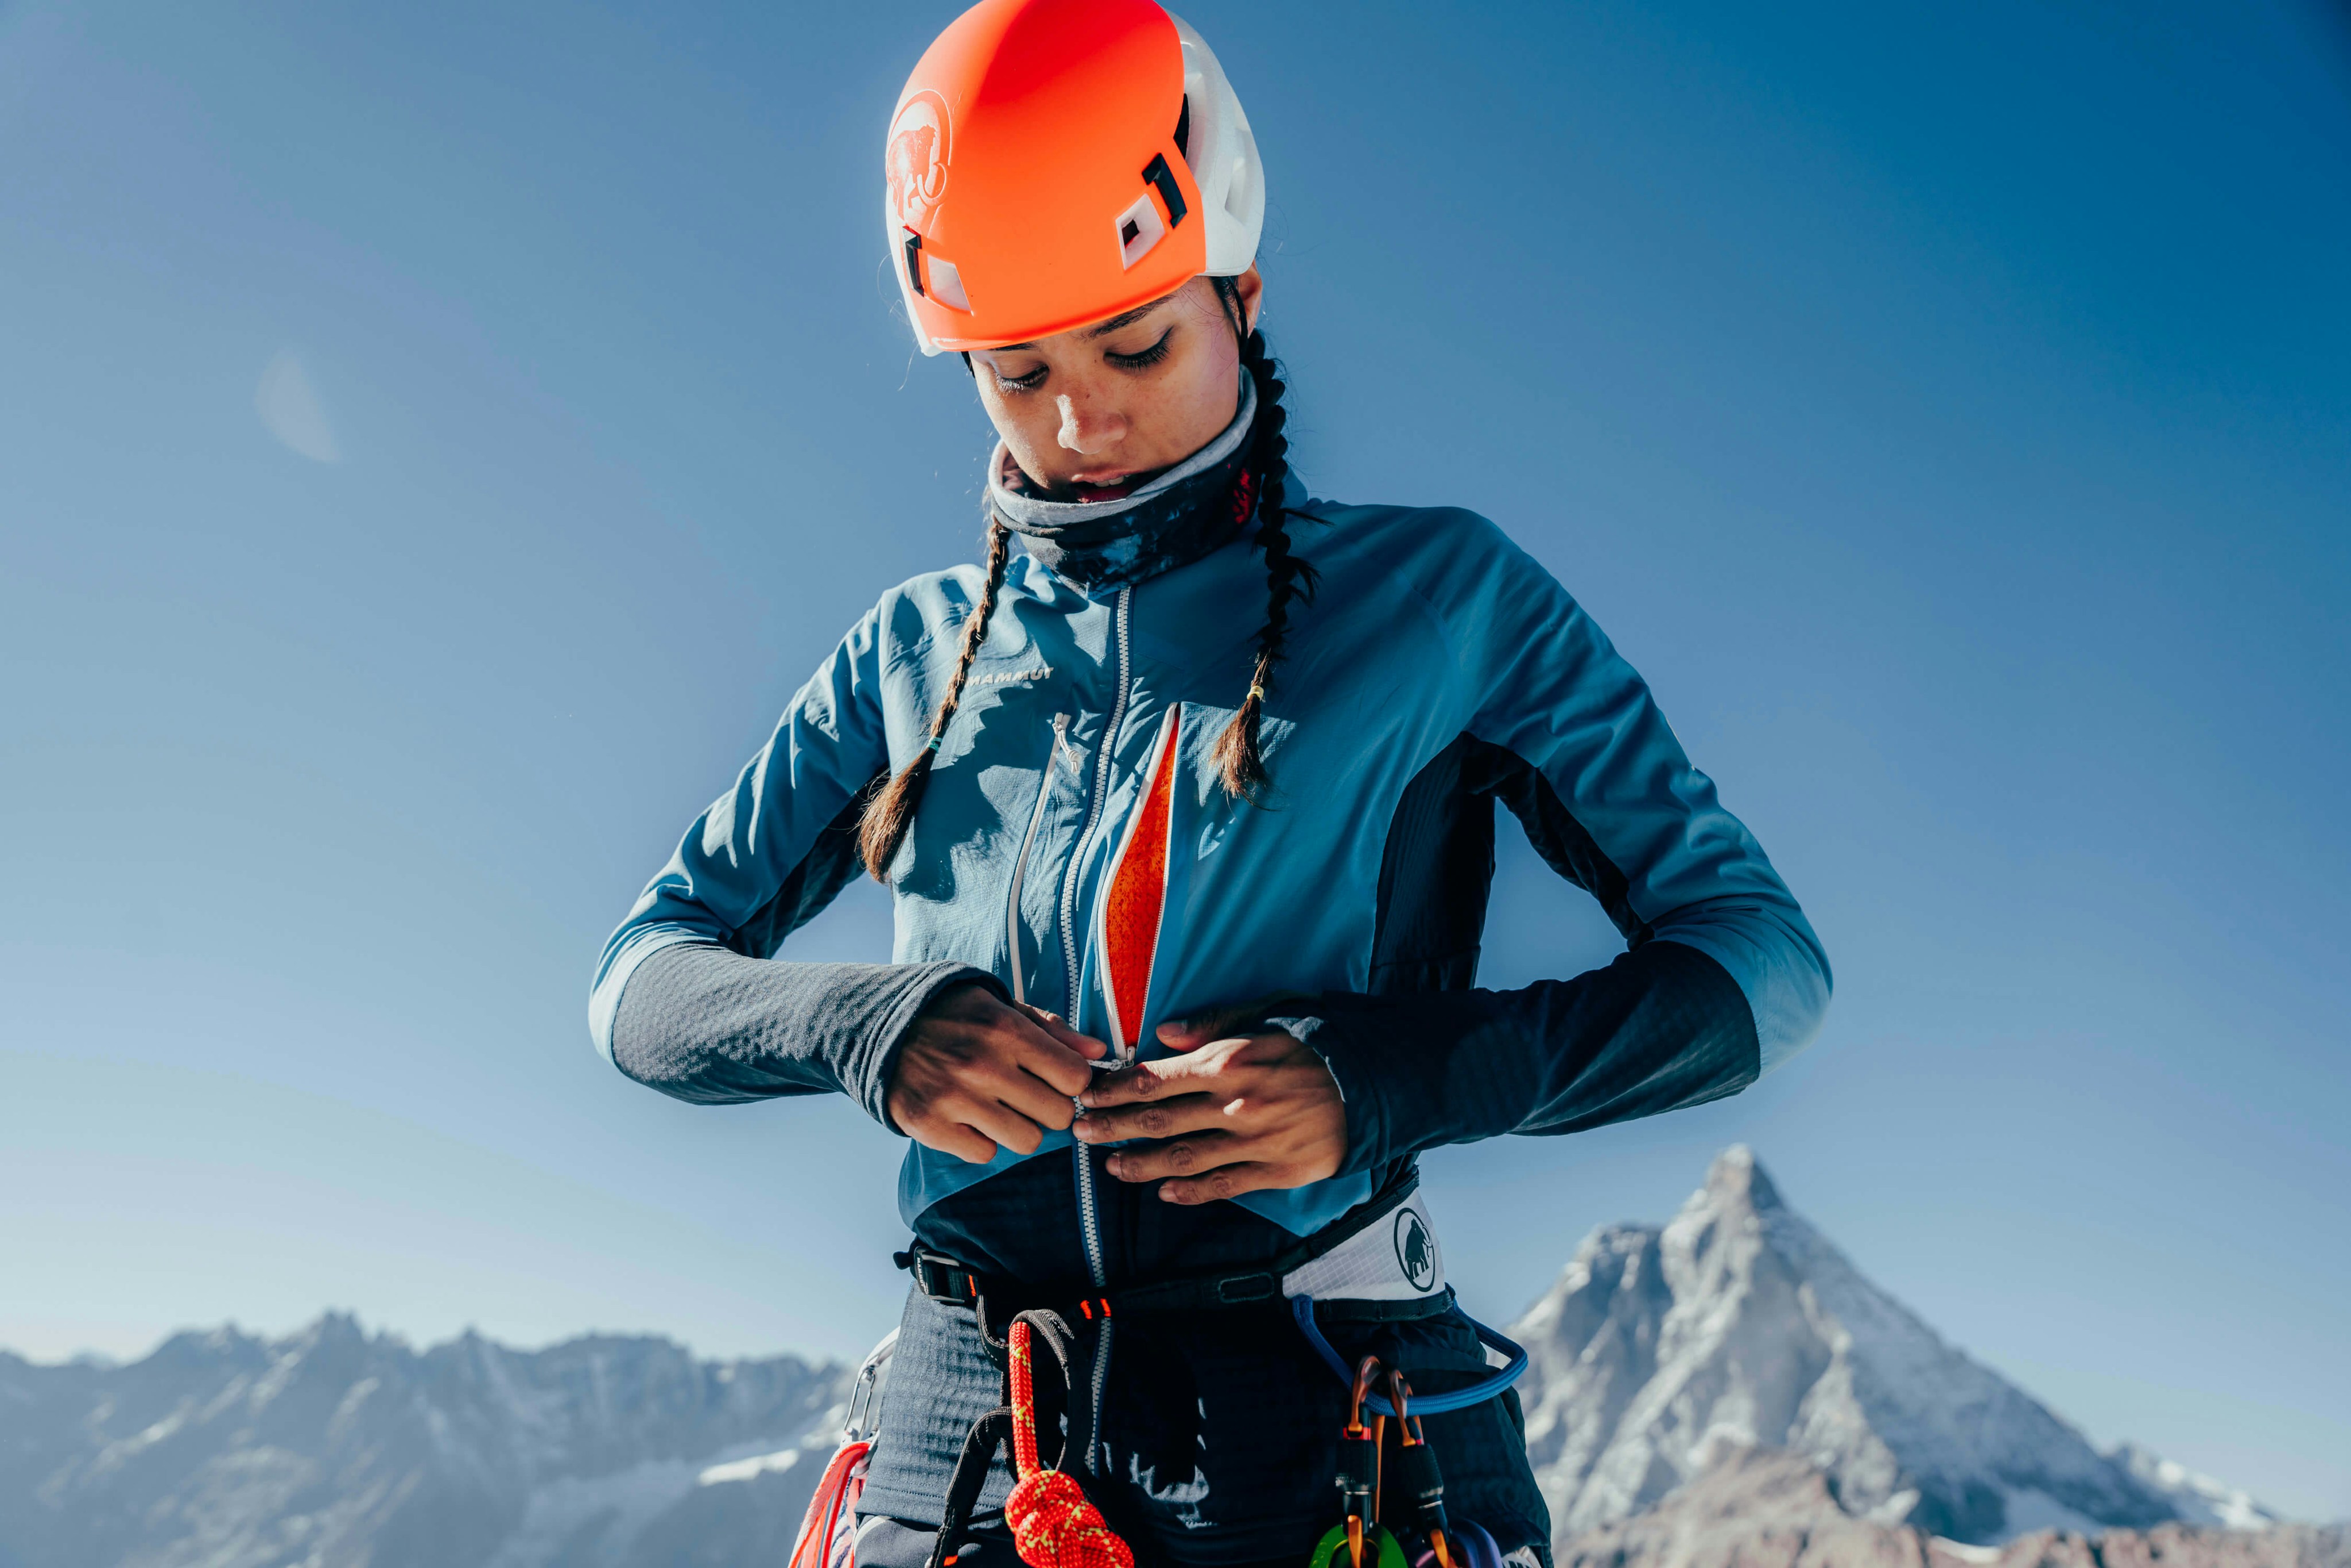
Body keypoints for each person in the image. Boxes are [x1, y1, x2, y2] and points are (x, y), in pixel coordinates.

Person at [588, 2, 1831, 1566]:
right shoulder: (906, 655)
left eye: (1137, 342)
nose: (1076, 420)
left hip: (1329, 1422)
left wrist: (1390, 1074)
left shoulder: (1442, 601)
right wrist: (861, 1027)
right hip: (969, 1434)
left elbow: (1762, 966)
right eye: (1013, 368)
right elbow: (641, 984)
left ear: (1242, 289)